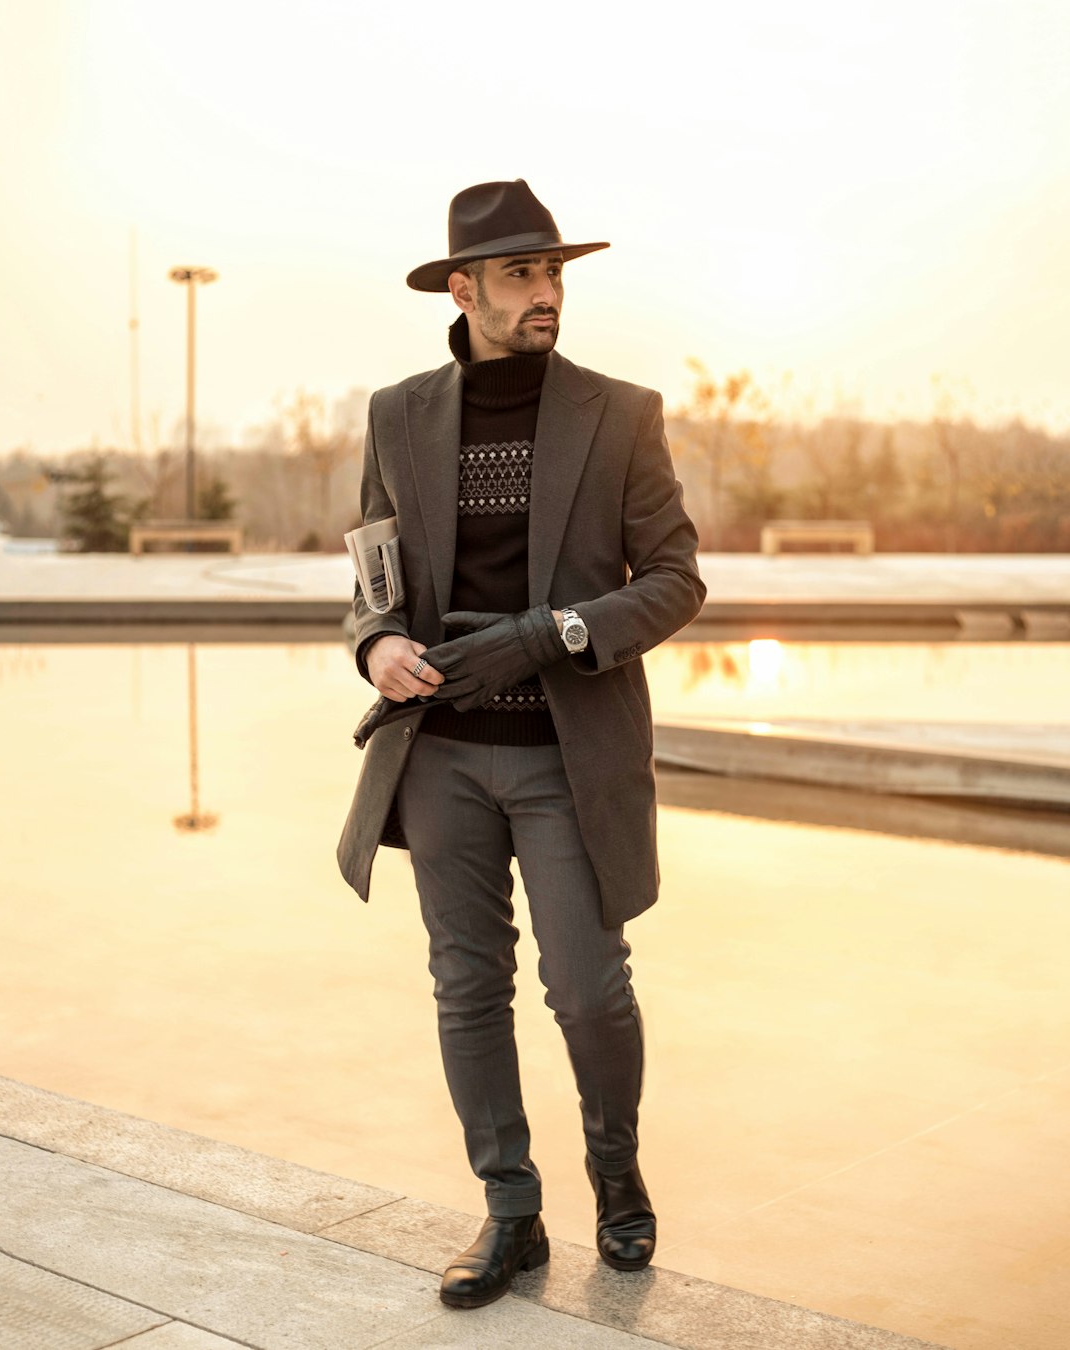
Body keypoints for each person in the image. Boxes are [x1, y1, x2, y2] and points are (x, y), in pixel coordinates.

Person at [337, 179, 706, 1309]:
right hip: (437, 751)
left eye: (554, 273)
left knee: (590, 990)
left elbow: (677, 581)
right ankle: (510, 1212)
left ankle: (615, 1176)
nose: (547, 293)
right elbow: (372, 580)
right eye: (521, 274)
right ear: (463, 290)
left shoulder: (621, 411)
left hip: (567, 753)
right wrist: (375, 648)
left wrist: (559, 630)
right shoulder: (397, 414)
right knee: (466, 988)